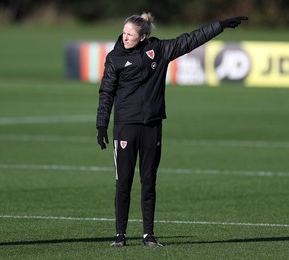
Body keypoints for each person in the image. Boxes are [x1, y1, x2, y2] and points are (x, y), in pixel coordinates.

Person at [96, 12, 248, 247]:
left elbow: (191, 39)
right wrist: (101, 124)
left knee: (149, 182)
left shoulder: (159, 50)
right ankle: (120, 235)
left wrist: (220, 26)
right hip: (125, 127)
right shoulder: (114, 58)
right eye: (124, 32)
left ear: (143, 37)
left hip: (152, 127)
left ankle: (148, 235)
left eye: (130, 34)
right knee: (123, 182)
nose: (124, 37)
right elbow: (106, 92)